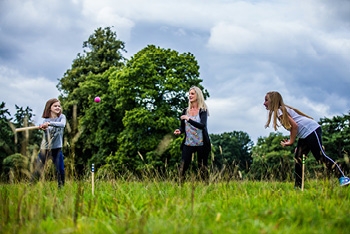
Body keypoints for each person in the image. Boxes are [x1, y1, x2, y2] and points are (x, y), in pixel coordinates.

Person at [263, 91, 350, 188]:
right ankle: (298, 186)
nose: (264, 103)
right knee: (298, 158)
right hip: (304, 135)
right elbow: (295, 127)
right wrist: (299, 145)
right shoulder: (280, 110)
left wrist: (291, 142)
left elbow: (294, 126)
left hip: (311, 130)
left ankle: (343, 177)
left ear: (273, 101)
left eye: (266, 100)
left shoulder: (279, 111)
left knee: (320, 156)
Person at [174, 86, 211, 182]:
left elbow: (202, 125)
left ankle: (205, 189)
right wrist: (179, 130)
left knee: (202, 169)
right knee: (183, 167)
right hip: (188, 143)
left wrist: (189, 119)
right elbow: (183, 127)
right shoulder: (185, 111)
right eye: (189, 94)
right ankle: (179, 188)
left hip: (202, 143)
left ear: (198, 96)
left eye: (192, 94)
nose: (190, 96)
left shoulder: (203, 110)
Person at [32, 98, 66, 188]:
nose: (58, 107)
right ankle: (30, 187)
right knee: (38, 171)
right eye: (55, 106)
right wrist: (44, 130)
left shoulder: (62, 117)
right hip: (45, 149)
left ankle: (61, 189)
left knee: (61, 170)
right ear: (49, 108)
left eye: (59, 106)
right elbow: (47, 139)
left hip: (57, 149)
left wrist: (49, 124)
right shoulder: (44, 121)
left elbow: (62, 125)